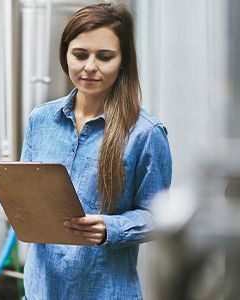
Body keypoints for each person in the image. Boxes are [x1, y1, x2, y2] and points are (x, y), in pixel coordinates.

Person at [21, 3, 172, 299]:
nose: (90, 66)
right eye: (80, 54)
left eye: (104, 57)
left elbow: (159, 217)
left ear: (123, 60)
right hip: (41, 290)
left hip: (104, 290)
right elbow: (27, 195)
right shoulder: (40, 120)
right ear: (66, 55)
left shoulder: (146, 133)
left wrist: (110, 228)